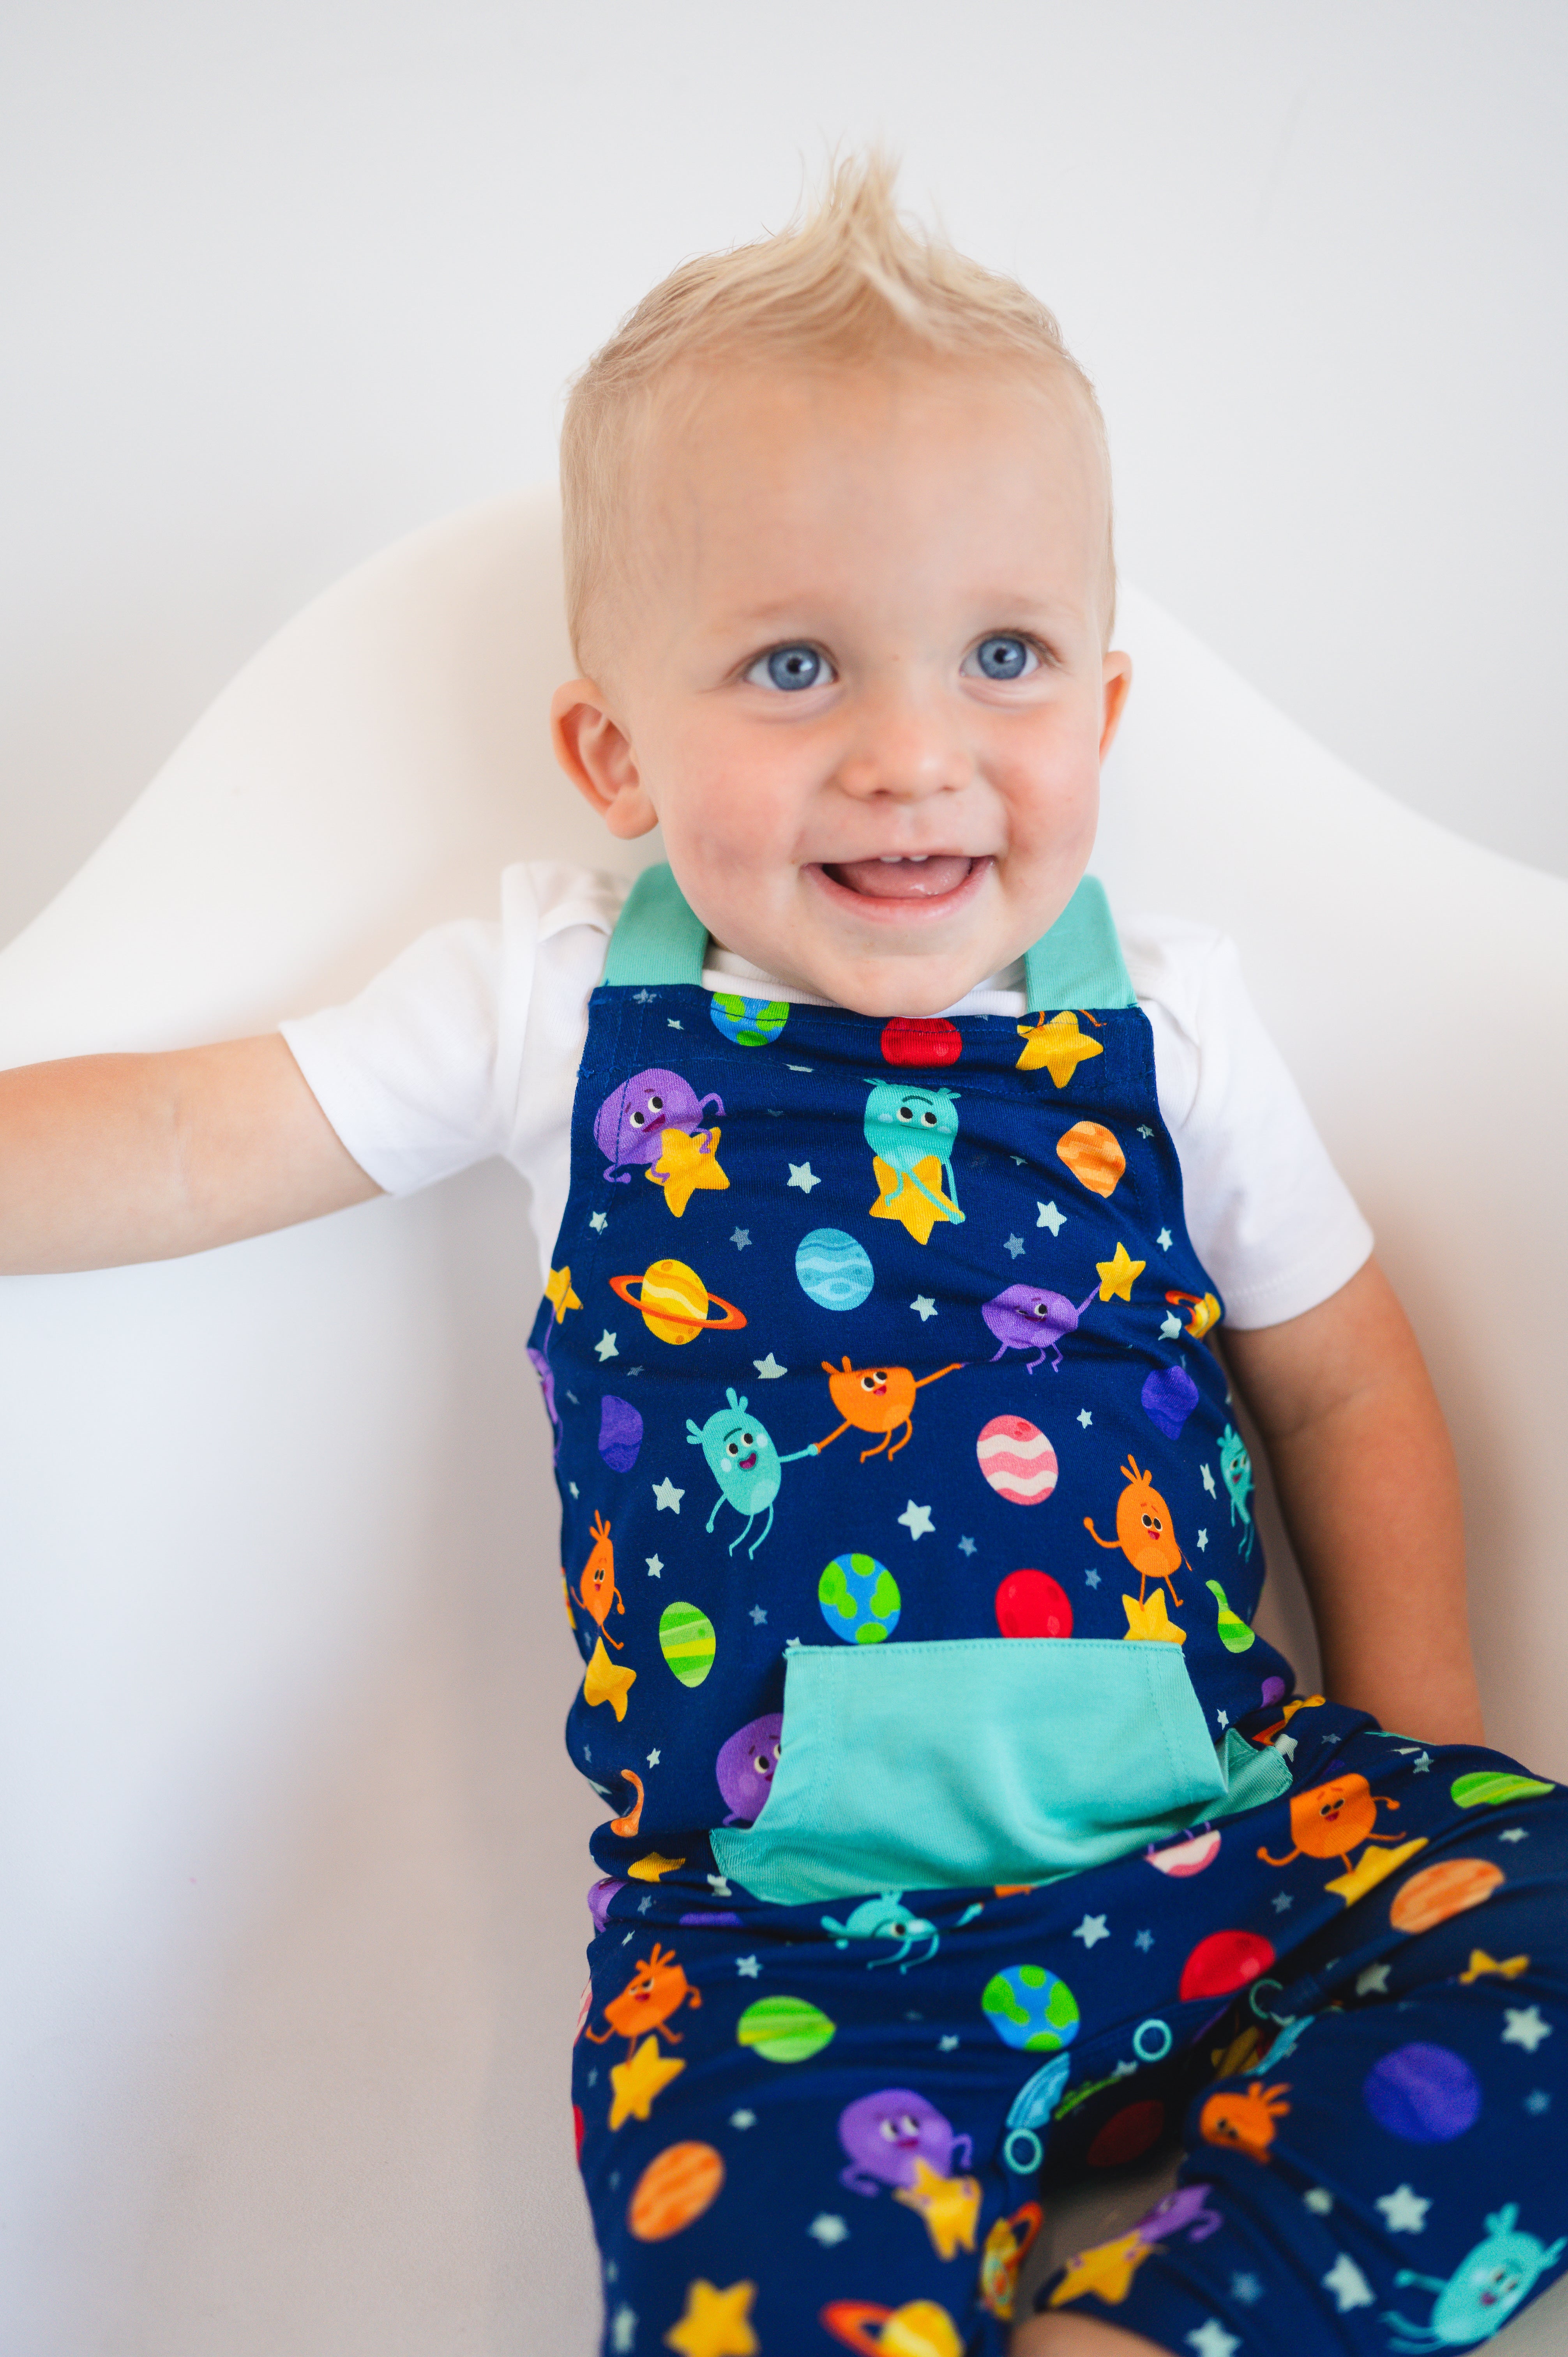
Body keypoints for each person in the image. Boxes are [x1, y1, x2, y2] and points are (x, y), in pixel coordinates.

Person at [2, 157, 1563, 2357]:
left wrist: (1422, 1766)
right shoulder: (551, 1003)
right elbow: (183, 1133)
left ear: (1098, 717)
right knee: (747, 2286)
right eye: (795, 664)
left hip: (1226, 1844)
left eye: (1000, 655)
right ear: (614, 755)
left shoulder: (1165, 1023)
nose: (910, 753)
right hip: (793, 1954)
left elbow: (1337, 1379)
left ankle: (1192, 2318)